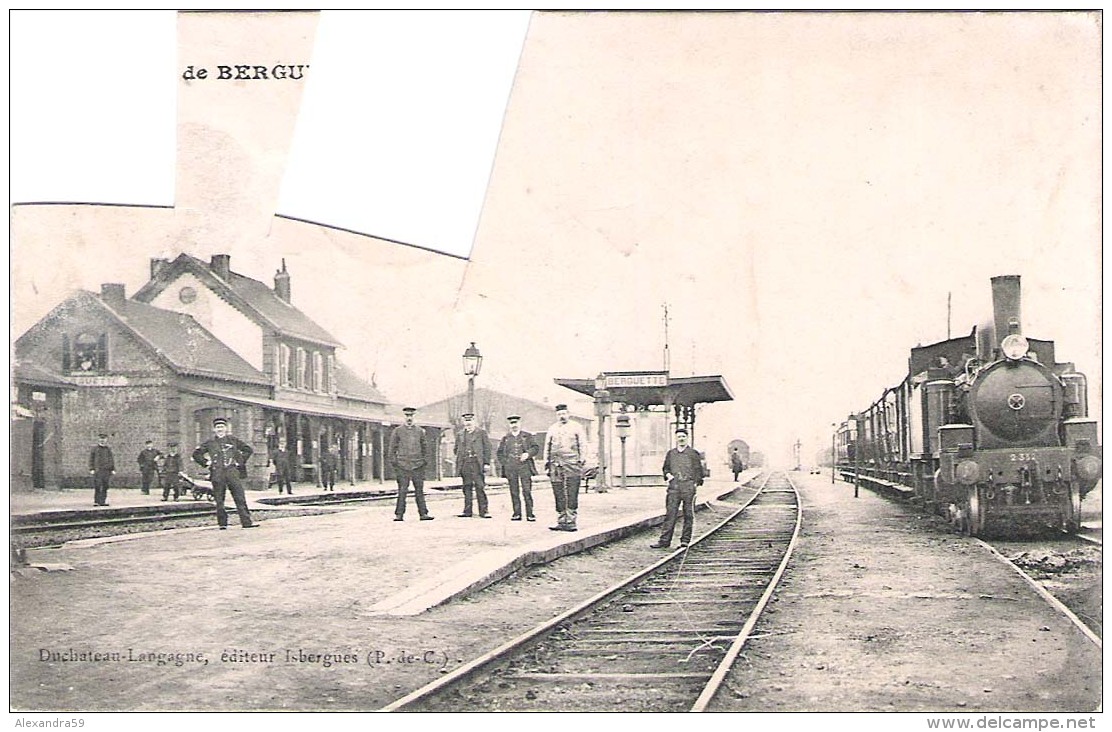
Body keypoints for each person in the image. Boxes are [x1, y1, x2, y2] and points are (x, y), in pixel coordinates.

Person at [192, 417, 257, 530]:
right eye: (217, 427)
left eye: (222, 427)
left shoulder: (233, 440)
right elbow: (196, 454)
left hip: (232, 472)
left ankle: (246, 522)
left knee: (239, 497)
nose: (220, 429)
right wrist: (207, 463)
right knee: (219, 499)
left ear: (226, 428)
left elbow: (248, 450)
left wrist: (239, 462)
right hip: (217, 473)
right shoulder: (210, 443)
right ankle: (222, 523)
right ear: (214, 429)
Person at [651, 428, 705, 549]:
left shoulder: (693, 453)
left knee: (688, 514)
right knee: (670, 514)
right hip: (674, 487)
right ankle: (664, 541)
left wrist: (695, 483)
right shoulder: (671, 453)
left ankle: (685, 541)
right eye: (679, 436)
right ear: (676, 438)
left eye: (683, 437)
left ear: (687, 438)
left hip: (688, 487)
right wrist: (668, 475)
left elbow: (699, 470)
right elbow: (665, 468)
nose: (681, 439)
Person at [543, 404, 592, 532]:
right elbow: (547, 447)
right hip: (556, 465)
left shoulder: (576, 427)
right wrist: (546, 463)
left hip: (572, 464)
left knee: (571, 491)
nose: (562, 416)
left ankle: (571, 521)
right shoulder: (552, 428)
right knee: (558, 491)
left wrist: (581, 460)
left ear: (568, 414)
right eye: (559, 414)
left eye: (564, 413)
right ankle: (561, 520)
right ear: (556, 415)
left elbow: (583, 444)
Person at [388, 407, 433, 521]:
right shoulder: (397, 431)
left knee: (419, 491)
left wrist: (424, 462)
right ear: (403, 417)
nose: (409, 418)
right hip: (402, 466)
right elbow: (392, 448)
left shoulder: (420, 431)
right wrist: (396, 463)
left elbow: (425, 447)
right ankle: (399, 514)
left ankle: (423, 514)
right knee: (402, 491)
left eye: (411, 416)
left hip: (417, 465)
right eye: (407, 416)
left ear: (414, 417)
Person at [497, 415, 539, 521]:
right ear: (509, 425)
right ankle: (517, 513)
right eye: (512, 423)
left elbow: (535, 448)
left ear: (520, 423)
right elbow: (500, 453)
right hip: (511, 467)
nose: (514, 425)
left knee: (527, 490)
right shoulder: (506, 438)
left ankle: (530, 513)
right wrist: (505, 463)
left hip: (524, 466)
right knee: (514, 491)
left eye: (516, 423)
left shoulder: (527, 436)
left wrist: (528, 454)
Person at [455, 413, 492, 518]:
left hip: (477, 463)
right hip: (465, 463)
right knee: (466, 487)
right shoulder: (460, 434)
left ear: (474, 421)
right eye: (466, 421)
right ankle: (467, 511)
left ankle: (484, 511)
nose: (468, 423)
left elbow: (487, 448)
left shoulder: (481, 433)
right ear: (463, 422)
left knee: (480, 487)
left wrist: (486, 463)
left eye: (470, 421)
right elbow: (456, 449)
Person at [89, 433, 115, 506]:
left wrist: (112, 469)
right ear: (99, 439)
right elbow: (91, 459)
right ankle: (97, 501)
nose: (102, 440)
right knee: (98, 485)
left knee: (105, 486)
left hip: (106, 471)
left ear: (106, 440)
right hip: (98, 470)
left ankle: (103, 501)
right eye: (101, 439)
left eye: (104, 439)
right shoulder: (95, 449)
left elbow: (111, 459)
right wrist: (91, 468)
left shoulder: (108, 449)